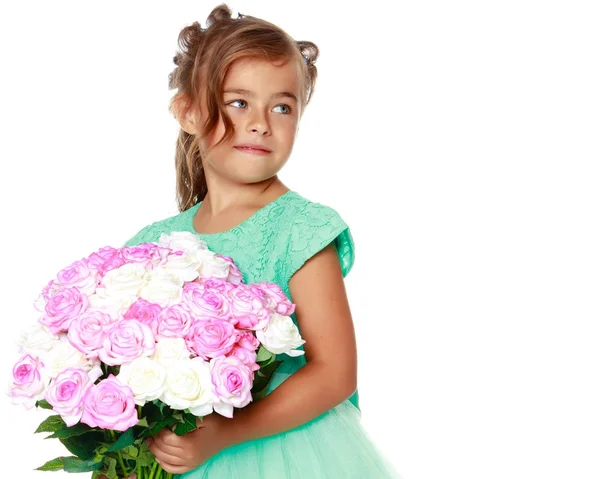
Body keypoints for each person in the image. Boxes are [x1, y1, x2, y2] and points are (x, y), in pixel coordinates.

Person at [123, 4, 402, 478]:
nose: (261, 122)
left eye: (282, 106)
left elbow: (334, 372)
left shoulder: (301, 229)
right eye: (238, 102)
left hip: (282, 452)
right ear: (188, 111)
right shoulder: (153, 244)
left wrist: (221, 435)